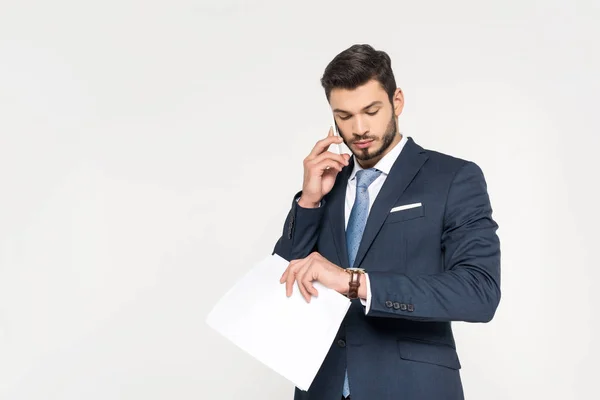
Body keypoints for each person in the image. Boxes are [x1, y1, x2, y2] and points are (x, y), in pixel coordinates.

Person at [272, 44, 501, 400]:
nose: (359, 128)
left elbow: (479, 292)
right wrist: (309, 201)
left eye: (371, 110)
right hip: (321, 388)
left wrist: (354, 283)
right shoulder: (325, 186)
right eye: (344, 116)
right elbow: (281, 284)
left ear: (397, 101)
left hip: (410, 388)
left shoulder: (453, 178)